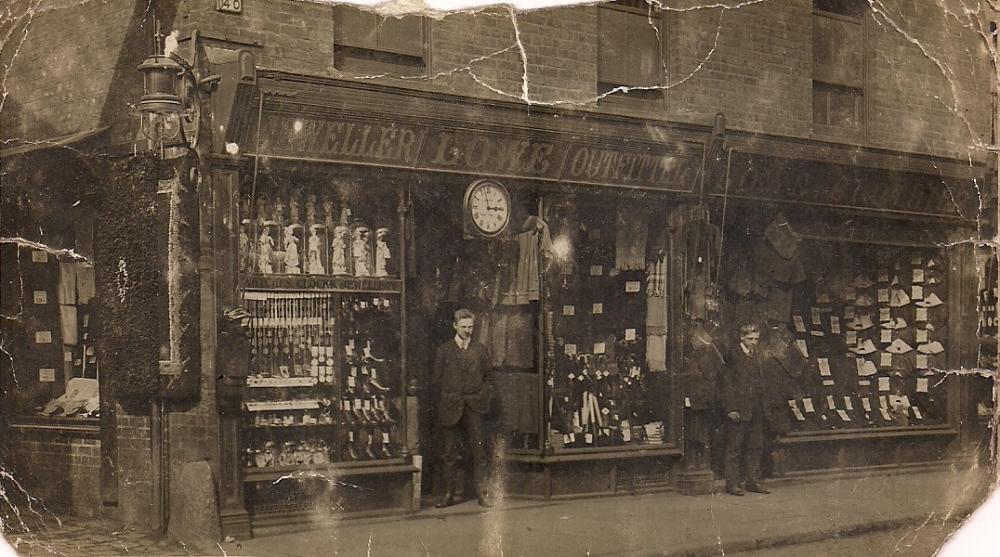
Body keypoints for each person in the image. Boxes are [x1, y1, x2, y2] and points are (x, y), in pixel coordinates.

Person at [432, 308, 495, 508]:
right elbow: (436, 380)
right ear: (455, 326)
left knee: (479, 452)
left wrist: (482, 395)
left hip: (475, 407)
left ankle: (482, 493)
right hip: (451, 408)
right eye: (464, 327)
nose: (468, 330)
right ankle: (449, 494)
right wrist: (446, 398)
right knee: (449, 453)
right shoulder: (444, 350)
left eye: (471, 327)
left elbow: (489, 377)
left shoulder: (480, 350)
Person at [722, 323, 770, 496]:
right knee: (734, 448)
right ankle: (732, 484)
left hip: (756, 408)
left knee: (755, 446)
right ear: (741, 337)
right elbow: (727, 384)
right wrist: (731, 408)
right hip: (739, 409)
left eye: (756, 339)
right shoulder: (732, 356)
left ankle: (753, 482)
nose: (753, 342)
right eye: (750, 339)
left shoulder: (758, 355)